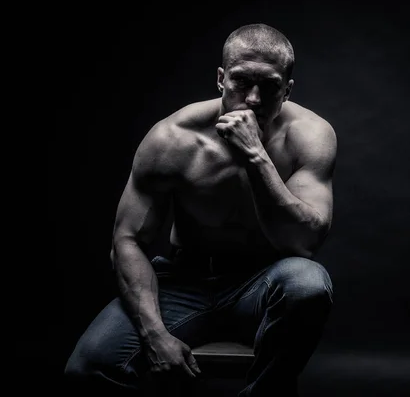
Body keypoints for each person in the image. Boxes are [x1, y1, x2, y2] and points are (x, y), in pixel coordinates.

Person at [64, 23, 337, 397]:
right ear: (221, 79)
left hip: (261, 284)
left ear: (287, 90)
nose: (254, 99)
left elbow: (303, 244)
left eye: (270, 85)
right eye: (242, 82)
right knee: (88, 367)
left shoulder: (310, 135)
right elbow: (127, 241)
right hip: (185, 282)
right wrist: (155, 334)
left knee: (307, 283)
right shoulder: (173, 138)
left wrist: (256, 158)